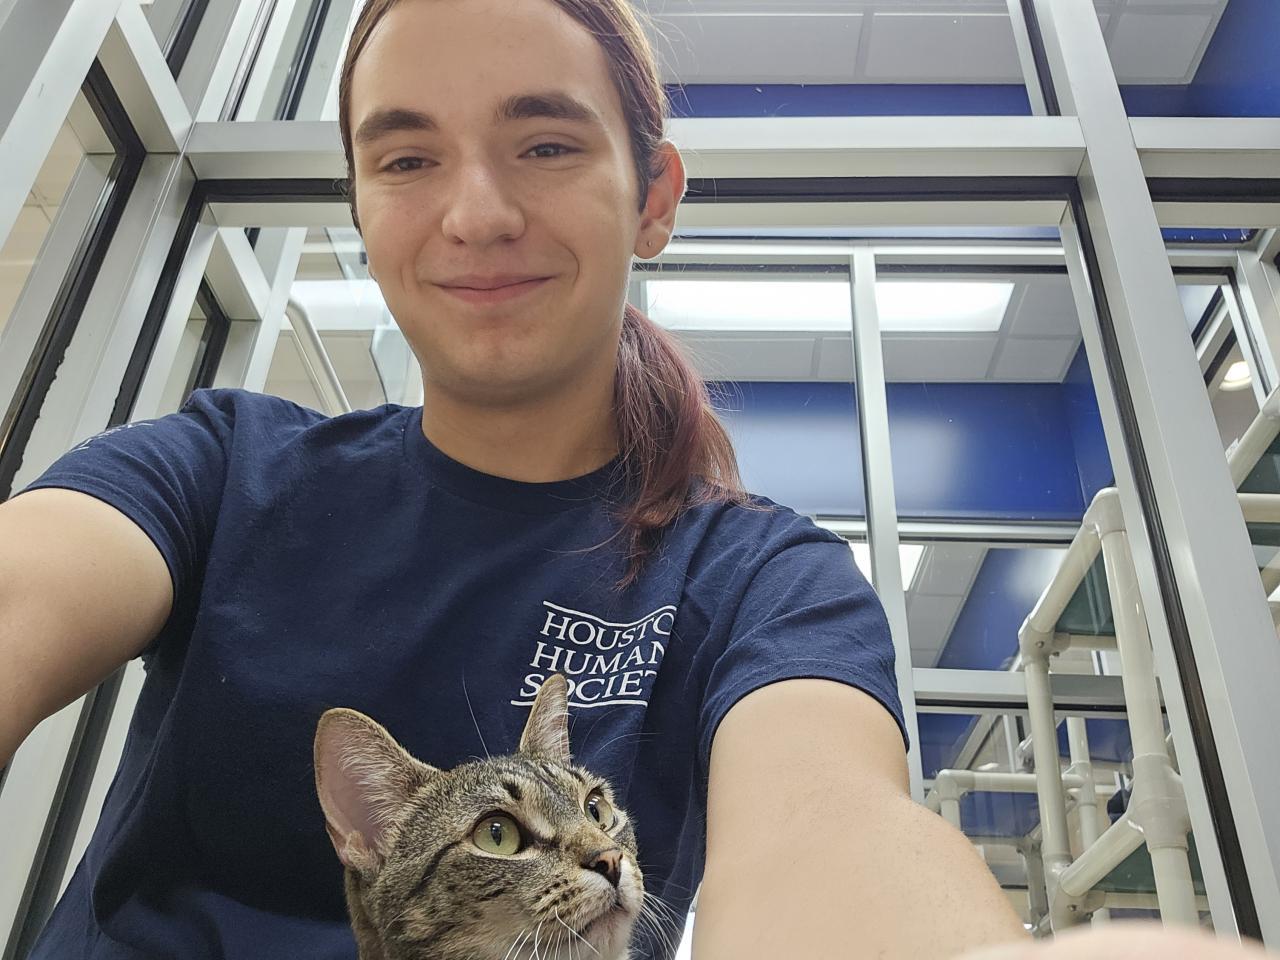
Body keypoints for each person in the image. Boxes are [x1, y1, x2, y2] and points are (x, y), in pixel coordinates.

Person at [0, 0, 1273, 958]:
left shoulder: (759, 578)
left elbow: (823, 834)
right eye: (407, 160)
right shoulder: (221, 467)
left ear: (653, 197)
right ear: (360, 206)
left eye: (544, 144)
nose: (476, 213)